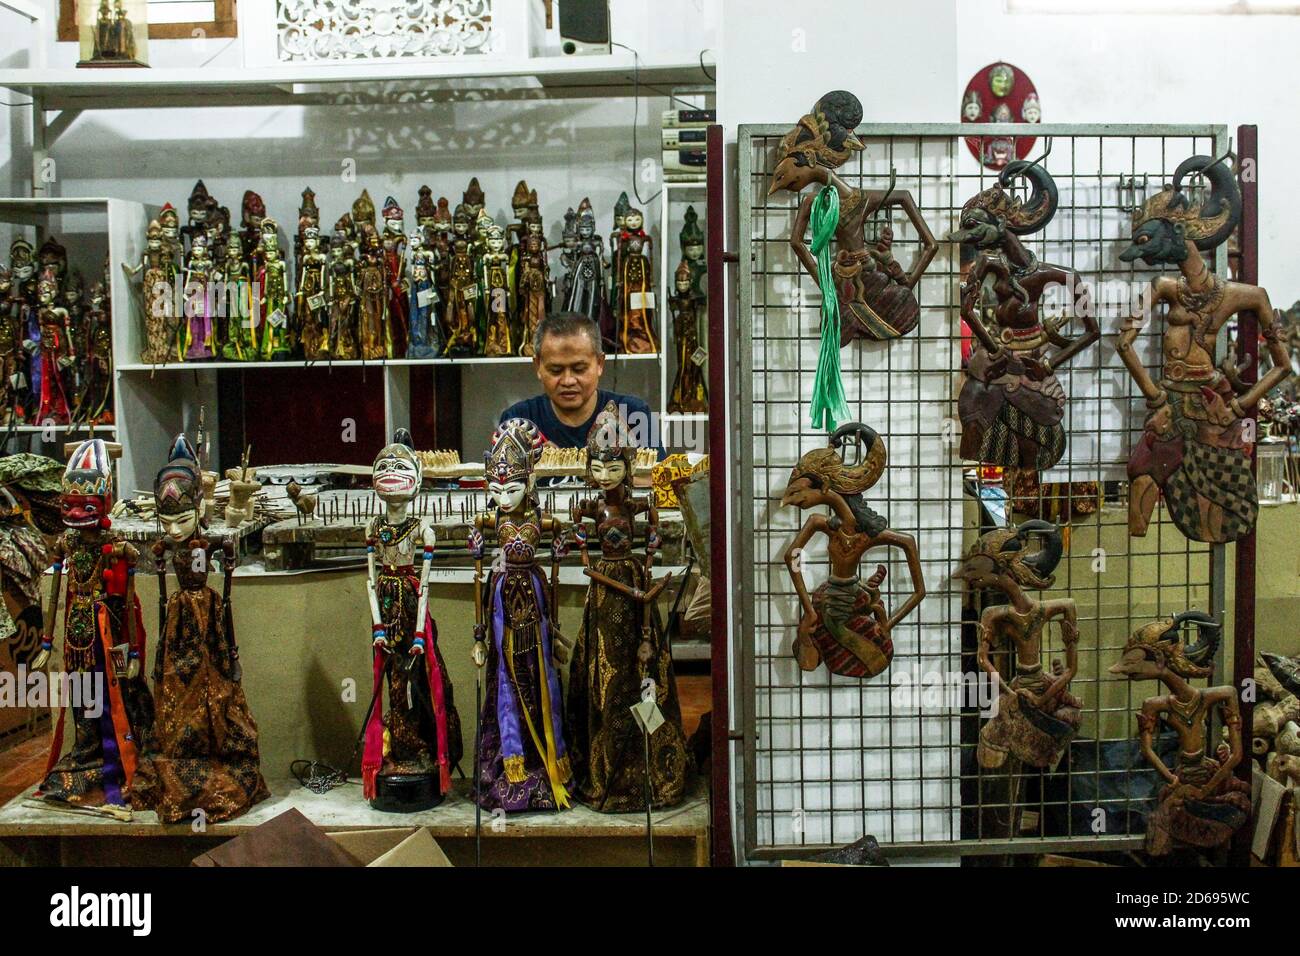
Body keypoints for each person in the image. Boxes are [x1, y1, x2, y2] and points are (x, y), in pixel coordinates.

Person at [500, 311, 665, 457]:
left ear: (599, 364)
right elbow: (499, 483)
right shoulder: (518, 421)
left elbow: (660, 480)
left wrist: (578, 468)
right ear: (538, 367)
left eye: (579, 369)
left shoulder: (631, 414)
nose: (568, 381)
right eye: (556, 370)